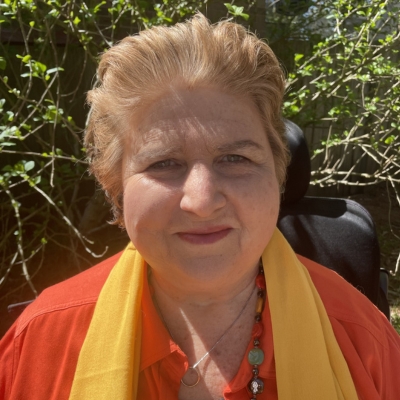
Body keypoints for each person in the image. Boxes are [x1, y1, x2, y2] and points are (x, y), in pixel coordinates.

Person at [1, 13, 399, 400]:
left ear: (277, 174)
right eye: (163, 163)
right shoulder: (37, 343)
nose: (201, 201)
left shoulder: (364, 342)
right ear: (115, 184)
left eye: (235, 159)